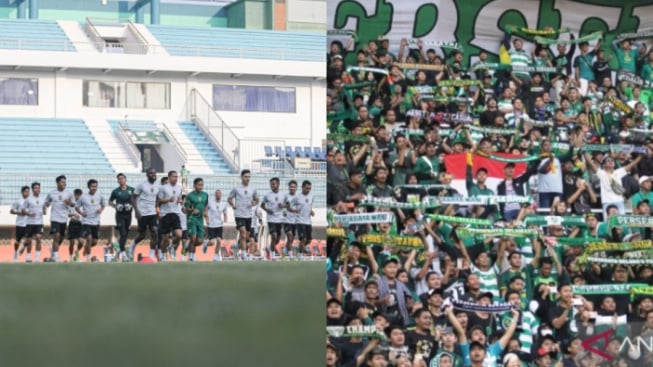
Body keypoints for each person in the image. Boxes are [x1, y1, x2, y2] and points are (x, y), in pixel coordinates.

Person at [228, 169, 260, 261]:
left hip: (248, 215)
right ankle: (244, 254)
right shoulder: (236, 188)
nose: (247, 178)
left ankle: (237, 245)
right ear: (241, 177)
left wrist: (254, 202)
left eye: (249, 177)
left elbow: (257, 199)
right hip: (239, 214)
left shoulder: (253, 188)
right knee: (242, 233)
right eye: (246, 177)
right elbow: (229, 198)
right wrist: (233, 205)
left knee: (246, 237)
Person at [129, 168, 160, 260]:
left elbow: (157, 198)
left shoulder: (158, 186)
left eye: (154, 173)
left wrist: (157, 208)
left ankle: (151, 255)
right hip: (142, 213)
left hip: (153, 213)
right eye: (151, 173)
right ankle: (132, 246)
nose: (153, 175)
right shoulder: (141, 185)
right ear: (147, 175)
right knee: (142, 235)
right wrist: (136, 211)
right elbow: (133, 198)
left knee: (155, 232)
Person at [44, 175, 75, 263]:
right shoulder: (51, 193)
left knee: (61, 237)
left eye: (65, 182)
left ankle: (53, 249)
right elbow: (47, 202)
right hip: (55, 218)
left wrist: (69, 203)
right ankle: (56, 257)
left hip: (64, 218)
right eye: (62, 182)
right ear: (57, 183)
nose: (64, 183)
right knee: (56, 236)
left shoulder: (69, 193)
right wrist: (46, 205)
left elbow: (73, 204)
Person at [75, 179, 105, 262]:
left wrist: (101, 210)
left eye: (95, 186)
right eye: (92, 186)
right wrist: (81, 213)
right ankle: (88, 258)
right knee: (89, 239)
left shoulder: (99, 196)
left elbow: (103, 205)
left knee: (94, 242)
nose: (94, 188)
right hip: (86, 222)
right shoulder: (83, 197)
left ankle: (86, 248)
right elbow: (76, 207)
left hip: (96, 222)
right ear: (88, 187)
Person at [157, 171, 183, 262]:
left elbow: (179, 198)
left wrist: (180, 201)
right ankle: (163, 253)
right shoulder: (163, 188)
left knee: (179, 235)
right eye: (173, 176)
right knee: (166, 239)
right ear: (169, 177)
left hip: (175, 213)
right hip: (165, 214)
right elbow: (159, 200)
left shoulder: (179, 188)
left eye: (176, 176)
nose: (175, 178)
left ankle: (172, 247)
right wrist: (168, 199)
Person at [109, 173, 135, 262]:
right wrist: (115, 206)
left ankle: (117, 253)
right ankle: (124, 254)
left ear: (125, 179)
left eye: (122, 178)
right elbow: (110, 201)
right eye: (119, 179)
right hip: (120, 215)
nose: (121, 180)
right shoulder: (115, 191)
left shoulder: (131, 190)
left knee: (125, 235)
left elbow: (136, 200)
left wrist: (131, 205)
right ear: (117, 181)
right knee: (123, 233)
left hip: (129, 215)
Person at [184, 177, 208, 262]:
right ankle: (191, 256)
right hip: (192, 219)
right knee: (193, 238)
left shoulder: (205, 195)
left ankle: (187, 246)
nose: (201, 186)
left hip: (200, 220)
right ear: (194, 185)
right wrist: (192, 210)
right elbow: (185, 209)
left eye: (202, 185)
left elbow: (205, 206)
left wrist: (206, 216)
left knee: (200, 241)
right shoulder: (190, 196)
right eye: (199, 185)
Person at [290, 180, 315, 260]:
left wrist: (311, 211)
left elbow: (310, 206)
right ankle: (299, 256)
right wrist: (295, 211)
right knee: (303, 239)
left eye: (310, 188)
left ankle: (299, 247)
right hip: (299, 221)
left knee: (309, 240)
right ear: (302, 187)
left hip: (308, 221)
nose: (308, 190)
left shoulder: (311, 196)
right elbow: (289, 207)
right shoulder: (297, 197)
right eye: (307, 188)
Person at [261, 177, 285, 259]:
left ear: (278, 184)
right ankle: (272, 254)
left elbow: (288, 205)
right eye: (271, 184)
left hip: (280, 219)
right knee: (274, 236)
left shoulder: (283, 195)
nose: (272, 185)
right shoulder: (267, 195)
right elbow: (262, 205)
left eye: (274, 184)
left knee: (277, 239)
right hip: (271, 219)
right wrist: (267, 210)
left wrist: (283, 206)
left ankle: (269, 248)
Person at [23, 182, 45, 263]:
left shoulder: (43, 199)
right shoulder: (28, 199)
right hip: (30, 223)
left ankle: (37, 258)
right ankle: (28, 257)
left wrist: (44, 210)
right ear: (32, 189)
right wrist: (29, 213)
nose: (37, 189)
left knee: (39, 238)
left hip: (39, 223)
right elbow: (23, 210)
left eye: (38, 188)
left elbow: (44, 209)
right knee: (29, 240)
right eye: (35, 188)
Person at [204, 189, 228, 261]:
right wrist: (207, 219)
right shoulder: (210, 203)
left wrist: (225, 218)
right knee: (212, 242)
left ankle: (216, 255)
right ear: (215, 195)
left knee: (219, 241)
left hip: (219, 225)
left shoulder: (224, 204)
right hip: (211, 225)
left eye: (219, 194)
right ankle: (206, 244)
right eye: (217, 194)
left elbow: (225, 212)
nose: (218, 195)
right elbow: (205, 210)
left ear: (221, 195)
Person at [10, 186, 29, 262]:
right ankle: (15, 253)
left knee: (29, 239)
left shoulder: (31, 201)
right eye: (25, 191)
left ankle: (23, 248)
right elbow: (11, 211)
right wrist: (20, 213)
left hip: (29, 223)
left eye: (28, 191)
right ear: (22, 192)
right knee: (18, 240)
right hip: (20, 223)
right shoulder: (18, 201)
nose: (27, 193)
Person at [283, 180, 298, 258]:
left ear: (296, 188)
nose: (292, 188)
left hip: (294, 221)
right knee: (289, 235)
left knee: (291, 239)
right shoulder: (285, 196)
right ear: (289, 187)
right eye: (291, 187)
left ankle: (286, 248)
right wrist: (284, 211)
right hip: (286, 220)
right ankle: (290, 254)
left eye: (294, 187)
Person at [68, 189, 84, 262]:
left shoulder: (84, 204)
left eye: (79, 195)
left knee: (81, 242)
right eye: (76, 195)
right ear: (74, 195)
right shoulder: (71, 204)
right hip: (72, 223)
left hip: (80, 224)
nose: (78, 196)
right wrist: (73, 214)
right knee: (72, 242)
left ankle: (77, 252)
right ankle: (71, 257)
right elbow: (67, 214)